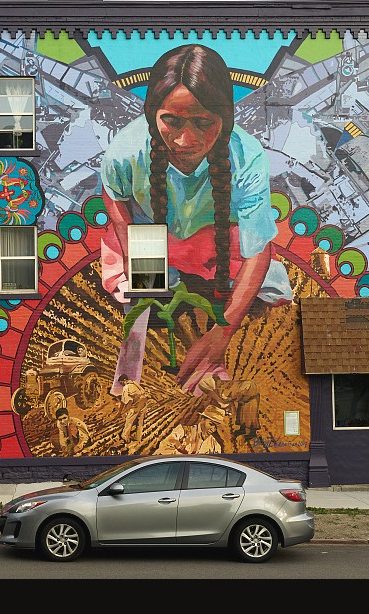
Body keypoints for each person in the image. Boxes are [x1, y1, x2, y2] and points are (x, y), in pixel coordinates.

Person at [100, 44, 292, 394]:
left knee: (257, 306)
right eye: (170, 121)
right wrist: (140, 266)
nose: (185, 140)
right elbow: (115, 198)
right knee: (144, 303)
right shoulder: (125, 151)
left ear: (225, 120)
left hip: (222, 243)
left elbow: (257, 248)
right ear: (152, 114)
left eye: (203, 123)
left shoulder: (246, 157)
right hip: (152, 236)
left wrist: (220, 335)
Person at [154, 405, 226, 455]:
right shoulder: (183, 431)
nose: (213, 429)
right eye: (211, 424)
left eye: (216, 427)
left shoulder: (215, 445)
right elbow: (164, 449)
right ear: (202, 419)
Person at [116, 374, 147, 452]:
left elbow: (124, 402)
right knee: (140, 422)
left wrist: (120, 412)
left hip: (137, 404)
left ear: (124, 381)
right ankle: (138, 439)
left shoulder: (126, 387)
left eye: (121, 383)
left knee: (128, 421)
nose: (121, 384)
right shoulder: (134, 383)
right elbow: (143, 391)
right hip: (144, 403)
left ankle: (125, 438)